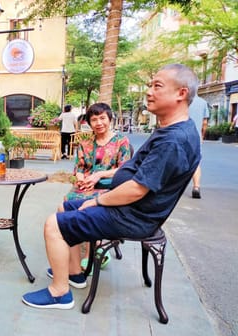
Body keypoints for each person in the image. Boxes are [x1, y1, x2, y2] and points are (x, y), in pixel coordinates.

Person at [22, 63, 201, 309]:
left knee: (53, 224)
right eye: (150, 85)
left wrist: (96, 200)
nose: (149, 91)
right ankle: (74, 274)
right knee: (64, 207)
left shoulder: (173, 140)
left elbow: (137, 189)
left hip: (134, 214)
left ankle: (59, 292)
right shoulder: (175, 130)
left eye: (157, 86)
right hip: (131, 207)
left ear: (181, 93)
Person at [55, 103, 131, 287]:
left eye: (102, 118)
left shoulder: (121, 141)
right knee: (65, 204)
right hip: (86, 185)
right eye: (94, 119)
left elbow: (125, 169)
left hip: (110, 187)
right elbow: (79, 168)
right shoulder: (85, 143)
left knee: (88, 205)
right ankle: (75, 264)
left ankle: (91, 253)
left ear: (110, 119)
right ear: (89, 122)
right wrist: (81, 179)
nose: (98, 123)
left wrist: (99, 174)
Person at [188, 95, 209, 199]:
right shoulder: (203, 102)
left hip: (180, 134)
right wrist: (202, 136)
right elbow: (204, 123)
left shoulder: (181, 100)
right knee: (196, 162)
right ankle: (196, 187)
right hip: (196, 136)